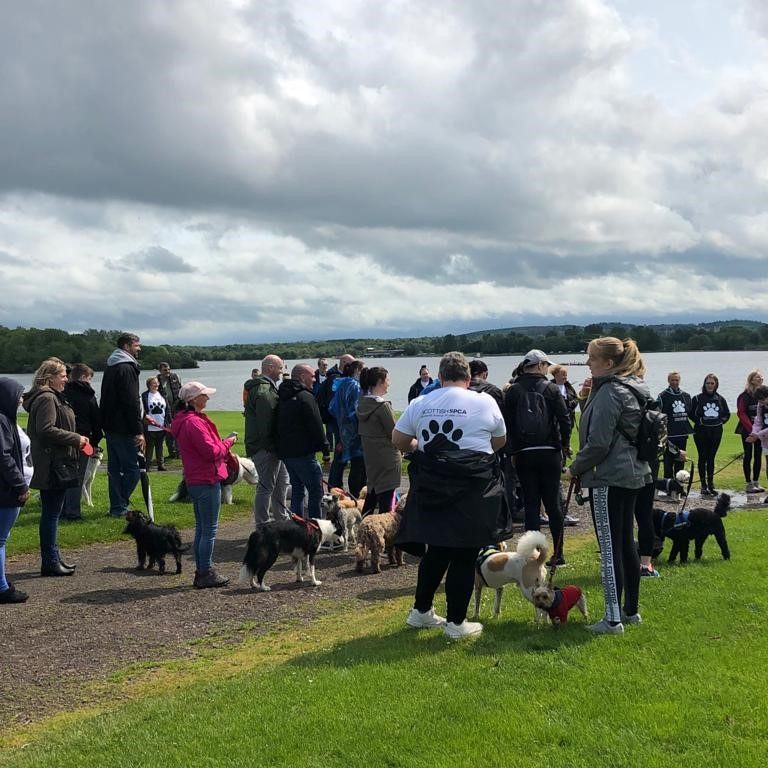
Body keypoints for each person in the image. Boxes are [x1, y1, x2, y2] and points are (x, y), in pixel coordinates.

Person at [393, 351, 507, 639]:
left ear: (440, 377)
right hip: (472, 485)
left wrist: (421, 445)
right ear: (468, 379)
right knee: (465, 553)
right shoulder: (485, 400)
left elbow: (398, 440)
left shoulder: (422, 401)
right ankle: (456, 623)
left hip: (433, 485)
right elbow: (500, 440)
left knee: (438, 549)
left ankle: (421, 612)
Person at [566, 337, 651, 634]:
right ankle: (630, 611)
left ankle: (612, 618)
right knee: (626, 542)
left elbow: (598, 443)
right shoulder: (632, 387)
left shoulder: (611, 392)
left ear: (609, 363)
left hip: (610, 477)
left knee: (611, 547)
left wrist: (575, 467)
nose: (588, 362)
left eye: (592, 358)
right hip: (634, 474)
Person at [503, 349, 571, 566]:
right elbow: (565, 419)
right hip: (550, 452)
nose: (548, 369)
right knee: (553, 504)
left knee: (531, 504)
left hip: (524, 455)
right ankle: (558, 554)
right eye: (546, 365)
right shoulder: (551, 389)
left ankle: (533, 556)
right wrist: (563, 445)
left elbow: (507, 424)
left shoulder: (513, 391)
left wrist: (513, 451)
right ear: (540, 365)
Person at [23, 358, 89, 577]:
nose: (66, 379)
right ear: (50, 378)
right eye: (62, 376)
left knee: (53, 512)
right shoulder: (47, 398)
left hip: (55, 461)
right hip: (52, 464)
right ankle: (50, 561)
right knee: (51, 513)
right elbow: (46, 429)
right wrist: (76, 438)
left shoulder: (49, 397)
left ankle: (53, 557)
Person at [170, 381, 235, 588]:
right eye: (204, 395)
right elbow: (211, 452)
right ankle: (204, 572)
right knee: (209, 530)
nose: (207, 398)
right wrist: (228, 442)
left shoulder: (186, 420)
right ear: (193, 399)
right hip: (206, 478)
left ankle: (203, 570)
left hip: (196, 478)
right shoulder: (194, 423)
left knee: (202, 529)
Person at [275, 364, 330, 519]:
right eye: (312, 376)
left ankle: (297, 528)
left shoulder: (282, 396)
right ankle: (315, 528)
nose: (314, 379)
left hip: (286, 453)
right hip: (303, 453)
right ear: (301, 377)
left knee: (298, 490)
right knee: (316, 491)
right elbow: (317, 425)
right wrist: (325, 450)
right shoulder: (306, 396)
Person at [100, 333, 144, 518]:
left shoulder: (112, 366)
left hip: (111, 426)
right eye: (136, 345)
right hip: (124, 427)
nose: (139, 348)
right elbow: (131, 402)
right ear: (126, 346)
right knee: (134, 469)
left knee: (115, 470)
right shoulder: (126, 368)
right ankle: (120, 504)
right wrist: (138, 430)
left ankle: (117, 508)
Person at [244, 354, 290, 524]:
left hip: (270, 447)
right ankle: (262, 525)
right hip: (266, 448)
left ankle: (281, 521)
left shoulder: (265, 388)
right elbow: (266, 424)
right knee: (266, 487)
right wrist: (273, 446)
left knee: (281, 483)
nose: (281, 373)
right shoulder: (264, 391)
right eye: (280, 368)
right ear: (269, 368)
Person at [0, 378, 30, 603]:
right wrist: (20, 484)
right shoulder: (2, 421)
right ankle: (1, 587)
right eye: (18, 395)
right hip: (6, 489)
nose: (21, 399)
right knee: (0, 539)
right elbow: (4, 457)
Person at [357, 366, 401, 515]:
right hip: (387, 459)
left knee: (372, 496)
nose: (389, 383)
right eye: (387, 380)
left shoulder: (362, 404)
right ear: (381, 381)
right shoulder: (382, 406)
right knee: (387, 503)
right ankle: (384, 534)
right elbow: (395, 434)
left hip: (371, 458)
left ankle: (363, 530)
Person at [62, 363, 103, 521]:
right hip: (84, 440)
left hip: (63, 439)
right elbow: (96, 420)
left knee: (63, 475)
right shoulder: (88, 394)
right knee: (78, 477)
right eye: (90, 379)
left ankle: (62, 509)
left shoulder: (62, 392)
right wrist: (94, 441)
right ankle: (73, 512)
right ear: (85, 376)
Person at [316, 353, 355, 488]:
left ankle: (335, 485)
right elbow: (337, 406)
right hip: (338, 423)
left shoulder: (337, 377)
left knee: (342, 455)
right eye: (352, 365)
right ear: (344, 364)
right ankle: (334, 486)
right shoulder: (336, 379)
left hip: (339, 423)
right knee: (340, 455)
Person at [329, 359, 366, 498]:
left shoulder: (342, 384)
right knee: (358, 467)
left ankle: (344, 493)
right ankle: (357, 496)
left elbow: (332, 408)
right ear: (357, 370)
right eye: (364, 370)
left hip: (343, 430)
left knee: (345, 465)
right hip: (355, 432)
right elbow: (357, 410)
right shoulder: (355, 386)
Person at [691, 374, 730, 497]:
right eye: (708, 383)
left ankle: (711, 484)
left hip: (716, 432)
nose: (710, 385)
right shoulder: (697, 398)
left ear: (716, 385)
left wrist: (721, 421)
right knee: (702, 457)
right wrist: (700, 421)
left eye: (712, 383)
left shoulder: (720, 399)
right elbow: (691, 414)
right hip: (701, 432)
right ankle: (703, 486)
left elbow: (727, 414)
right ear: (704, 384)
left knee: (711, 458)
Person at [656, 372, 692, 480]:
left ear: (679, 380)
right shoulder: (662, 396)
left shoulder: (686, 396)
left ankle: (678, 486)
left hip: (682, 434)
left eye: (676, 380)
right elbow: (658, 415)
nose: (675, 382)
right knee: (668, 462)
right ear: (668, 381)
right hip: (668, 435)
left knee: (680, 461)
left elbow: (689, 412)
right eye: (672, 380)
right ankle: (668, 486)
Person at [736, 370, 764, 493]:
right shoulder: (744, 396)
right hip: (747, 429)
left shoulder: (763, 395)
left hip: (761, 431)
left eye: (761, 377)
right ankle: (748, 484)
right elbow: (741, 413)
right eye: (758, 377)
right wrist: (752, 430)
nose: (760, 379)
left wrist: (759, 431)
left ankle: (756, 482)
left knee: (758, 455)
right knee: (748, 455)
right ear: (751, 380)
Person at [141, 377, 168, 471]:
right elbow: (143, 410)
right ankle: (147, 466)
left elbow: (167, 409)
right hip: (150, 426)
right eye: (154, 383)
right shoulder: (145, 395)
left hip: (161, 425)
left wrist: (168, 422)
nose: (156, 385)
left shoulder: (162, 394)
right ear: (149, 385)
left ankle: (161, 465)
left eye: (157, 383)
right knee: (149, 447)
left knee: (160, 446)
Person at [157, 362, 182, 459]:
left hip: (177, 407)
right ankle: (172, 452)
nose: (167, 371)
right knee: (168, 431)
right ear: (160, 370)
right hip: (164, 409)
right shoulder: (157, 380)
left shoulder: (175, 377)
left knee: (178, 430)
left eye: (168, 369)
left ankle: (179, 452)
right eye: (164, 370)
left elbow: (181, 390)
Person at [549, 364, 579, 429]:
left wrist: (569, 404)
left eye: (566, 375)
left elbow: (576, 399)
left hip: (568, 421)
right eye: (563, 375)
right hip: (554, 423)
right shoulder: (549, 387)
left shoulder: (569, 387)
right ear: (555, 375)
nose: (565, 377)